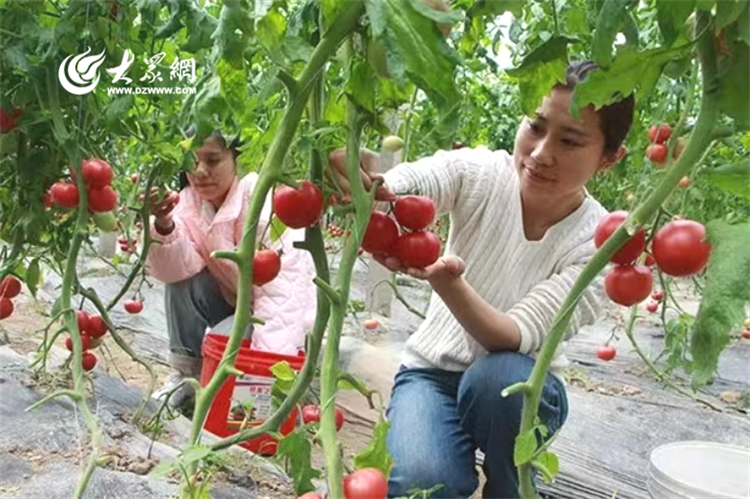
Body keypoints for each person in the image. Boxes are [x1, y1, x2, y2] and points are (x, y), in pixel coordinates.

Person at [329, 61, 635, 499]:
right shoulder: (483, 173)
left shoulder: (601, 243)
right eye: (535, 126)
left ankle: (510, 489)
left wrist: (449, 285)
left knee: (498, 379)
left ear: (609, 158)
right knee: (423, 485)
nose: (541, 152)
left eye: (569, 141)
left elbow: (512, 336)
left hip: (521, 387)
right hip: (431, 375)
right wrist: (376, 187)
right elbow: (421, 180)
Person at [147, 131, 317, 408]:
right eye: (192, 161)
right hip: (238, 303)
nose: (200, 172)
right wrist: (165, 225)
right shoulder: (190, 202)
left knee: (220, 346)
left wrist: (262, 388)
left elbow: (282, 301)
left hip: (290, 320)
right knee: (183, 281)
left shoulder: (264, 208)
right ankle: (185, 375)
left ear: (238, 160)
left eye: (213, 160)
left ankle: (272, 370)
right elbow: (174, 270)